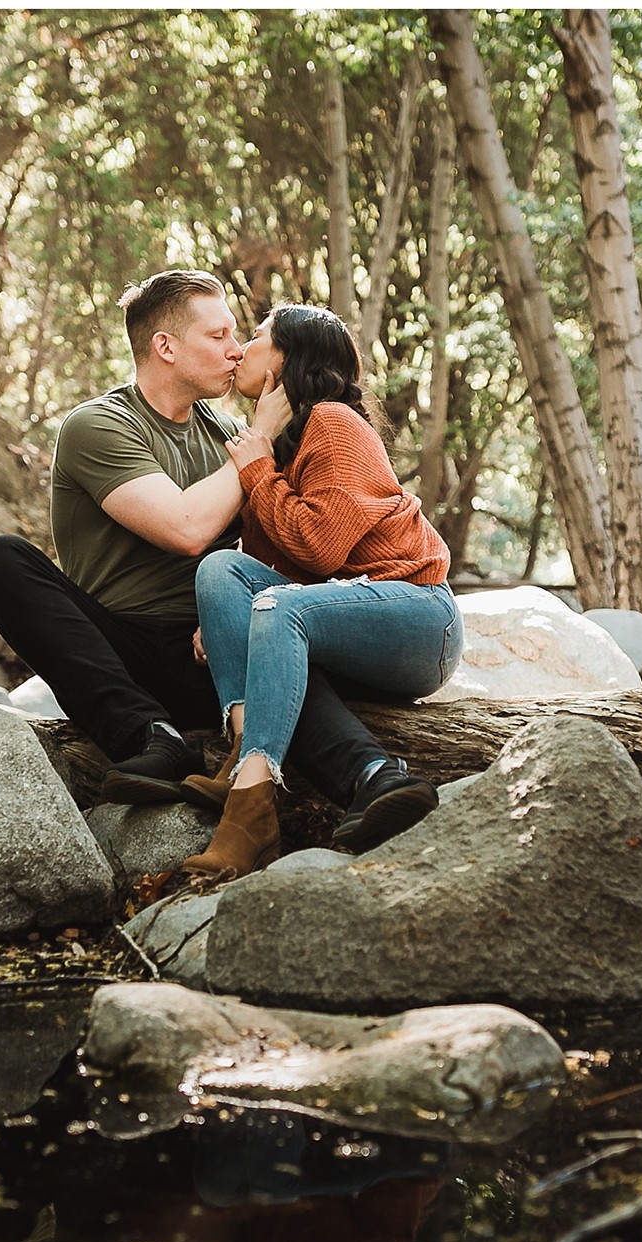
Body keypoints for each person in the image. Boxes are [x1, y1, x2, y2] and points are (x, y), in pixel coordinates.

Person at [0, 270, 412, 847]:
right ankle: (152, 737)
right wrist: (255, 443)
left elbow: (307, 525)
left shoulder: (230, 433)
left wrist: (388, 504)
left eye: (240, 337)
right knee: (1, 561)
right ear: (166, 347)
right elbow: (185, 528)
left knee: (272, 631)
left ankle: (372, 778)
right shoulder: (98, 425)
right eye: (219, 336)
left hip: (205, 648)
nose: (237, 352)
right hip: (116, 647)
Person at [182, 304, 459, 881]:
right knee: (218, 573)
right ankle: (246, 751)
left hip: (417, 615)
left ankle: (252, 807)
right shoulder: (277, 441)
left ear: (287, 358)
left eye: (254, 338)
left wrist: (256, 466)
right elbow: (259, 566)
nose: (239, 351)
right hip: (345, 622)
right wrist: (227, 616)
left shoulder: (333, 422)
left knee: (275, 607)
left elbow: (318, 548)